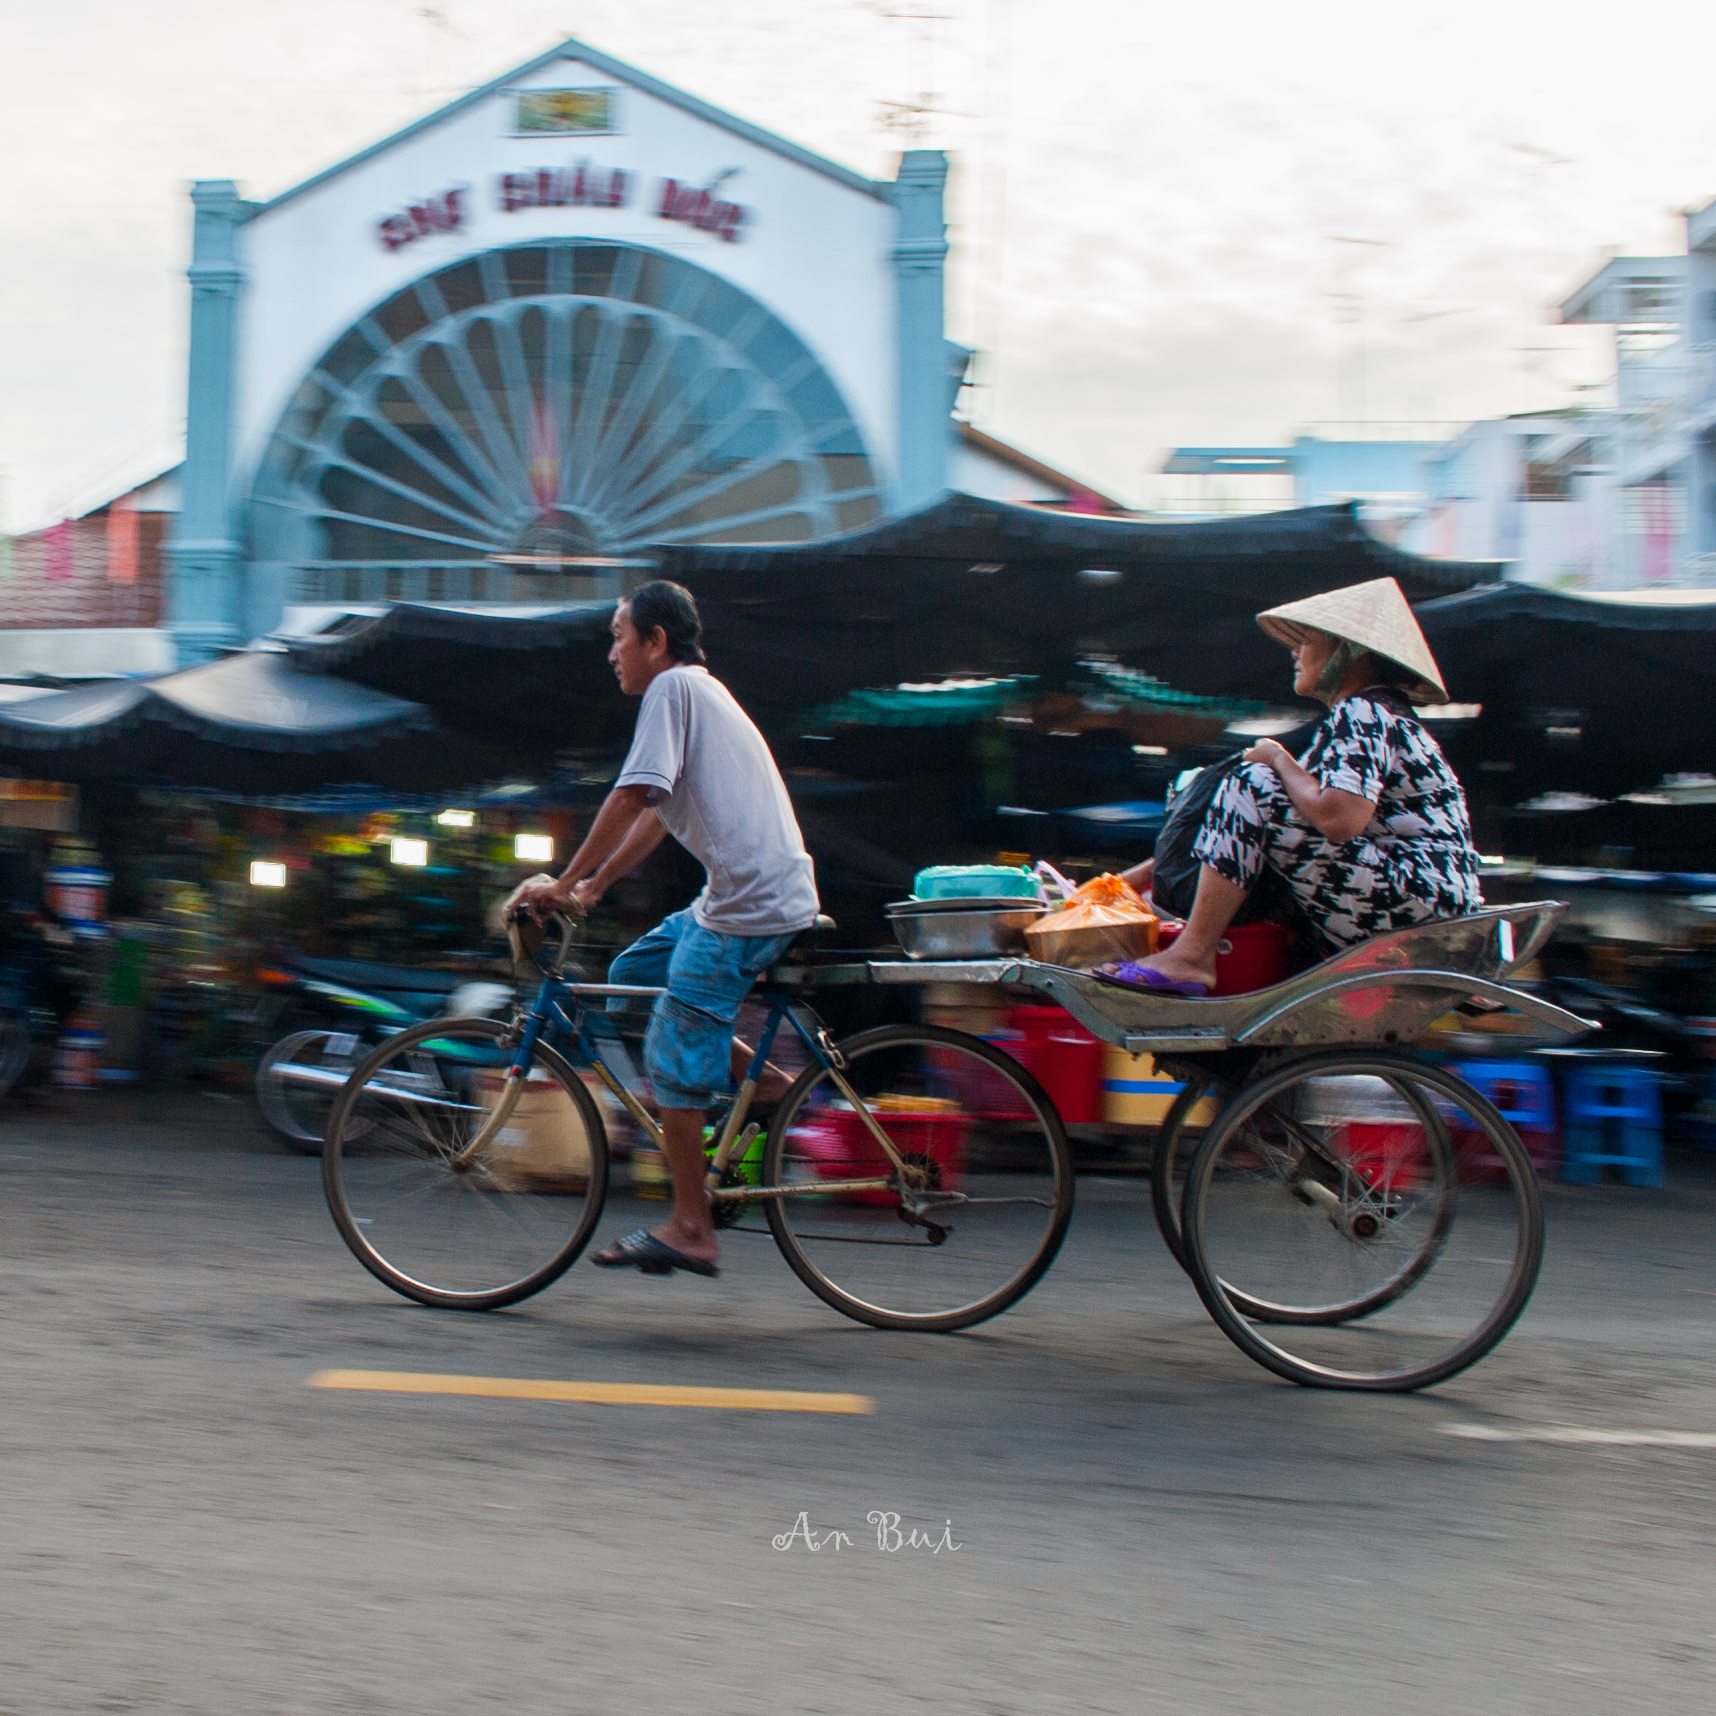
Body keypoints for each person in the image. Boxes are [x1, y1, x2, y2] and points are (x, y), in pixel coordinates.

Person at [504, 580, 819, 1277]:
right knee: (635, 972)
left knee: (674, 1058)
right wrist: (594, 885)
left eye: (620, 636)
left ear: (656, 641)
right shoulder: (697, 692)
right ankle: (762, 1082)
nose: (612, 653)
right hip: (740, 895)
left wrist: (558, 882)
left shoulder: (673, 690)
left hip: (749, 905)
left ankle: (690, 1227)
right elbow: (656, 810)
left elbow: (632, 793)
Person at [1115, 576, 1482, 996]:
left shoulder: (1364, 711)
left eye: (1307, 641)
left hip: (1418, 898)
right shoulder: (1366, 717)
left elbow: (1340, 819)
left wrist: (1277, 757)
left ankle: (1193, 955)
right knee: (1258, 791)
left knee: (1253, 784)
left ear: (1349, 650)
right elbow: (1237, 835)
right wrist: (1121, 884)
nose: (1295, 651)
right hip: (1419, 897)